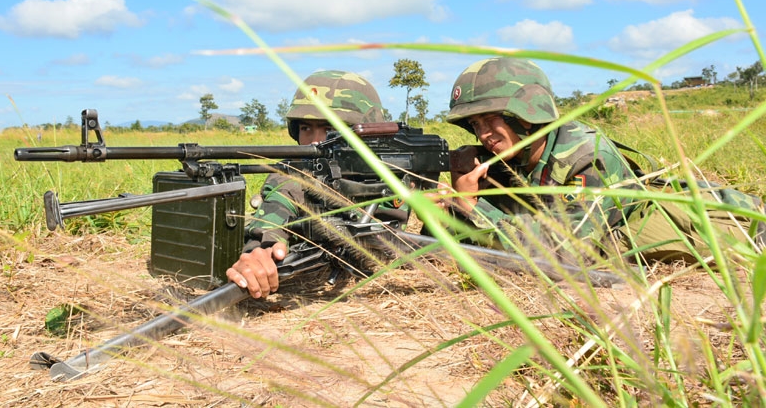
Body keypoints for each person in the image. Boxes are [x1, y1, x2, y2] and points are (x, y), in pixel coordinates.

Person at [440, 56, 765, 265]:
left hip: (730, 224)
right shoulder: (508, 157)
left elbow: (563, 253)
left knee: (614, 249)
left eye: (492, 119)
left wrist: (472, 207)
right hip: (605, 225)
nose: (484, 135)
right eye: (475, 125)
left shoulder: (586, 157)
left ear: (526, 114)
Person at [226, 70, 387, 298]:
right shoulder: (293, 176)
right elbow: (272, 217)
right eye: (305, 128)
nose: (315, 141)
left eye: (330, 129)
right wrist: (259, 254)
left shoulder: (392, 174)